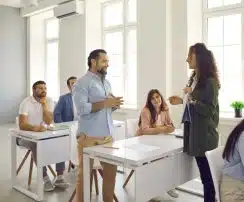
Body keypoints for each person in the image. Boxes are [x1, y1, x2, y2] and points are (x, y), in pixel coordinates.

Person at [169, 43, 220, 202]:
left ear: (199, 57)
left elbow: (209, 110)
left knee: (207, 179)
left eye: (190, 56)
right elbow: (191, 101)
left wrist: (191, 98)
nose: (186, 59)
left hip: (204, 137)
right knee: (206, 177)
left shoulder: (210, 82)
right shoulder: (194, 78)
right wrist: (181, 100)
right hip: (194, 134)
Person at [72, 49, 124, 202]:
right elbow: (81, 109)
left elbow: (105, 108)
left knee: (110, 175)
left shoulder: (106, 82)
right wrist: (105, 103)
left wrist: (113, 105)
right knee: (84, 176)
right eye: (104, 61)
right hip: (89, 137)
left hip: (107, 136)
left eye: (107, 61)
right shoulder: (81, 83)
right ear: (93, 62)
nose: (108, 64)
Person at [18, 80, 69, 192]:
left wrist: (44, 105)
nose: (43, 90)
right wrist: (34, 128)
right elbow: (22, 124)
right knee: (37, 145)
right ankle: (45, 178)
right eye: (40, 88)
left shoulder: (49, 100)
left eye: (45, 88)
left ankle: (59, 177)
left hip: (44, 136)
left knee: (60, 142)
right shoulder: (26, 102)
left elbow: (48, 121)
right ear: (34, 90)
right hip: (23, 138)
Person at [136, 89, 178, 199]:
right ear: (149, 101)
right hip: (144, 142)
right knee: (155, 161)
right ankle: (152, 191)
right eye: (153, 98)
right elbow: (145, 130)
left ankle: (168, 185)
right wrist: (163, 129)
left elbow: (172, 127)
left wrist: (157, 128)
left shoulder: (165, 109)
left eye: (157, 97)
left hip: (158, 140)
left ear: (161, 97)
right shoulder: (146, 111)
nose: (156, 100)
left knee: (169, 157)